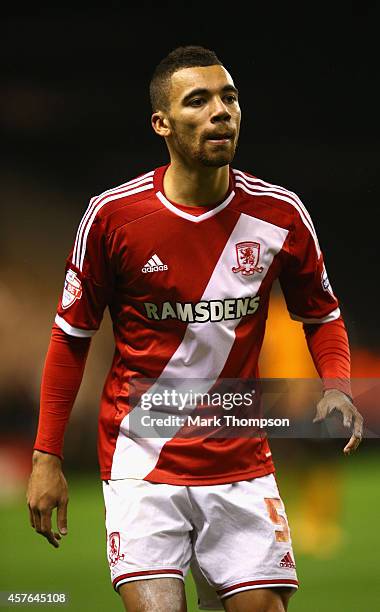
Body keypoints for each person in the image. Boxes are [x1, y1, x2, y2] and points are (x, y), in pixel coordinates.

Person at [27, 46, 364, 612]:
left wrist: (336, 382)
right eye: (199, 100)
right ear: (162, 123)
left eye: (229, 97)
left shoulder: (279, 215)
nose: (221, 112)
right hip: (141, 459)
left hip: (240, 461)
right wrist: (46, 457)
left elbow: (322, 314)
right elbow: (70, 339)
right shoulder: (114, 218)